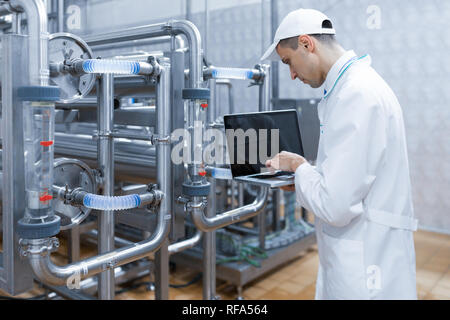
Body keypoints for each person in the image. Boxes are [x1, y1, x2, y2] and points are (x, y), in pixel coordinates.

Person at [261, 8, 417, 299]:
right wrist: (310, 177)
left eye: (289, 62)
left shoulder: (355, 94)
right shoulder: (353, 86)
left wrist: (298, 167)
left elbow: (335, 205)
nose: (292, 75)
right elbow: (351, 173)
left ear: (307, 44)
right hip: (369, 248)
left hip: (365, 258)